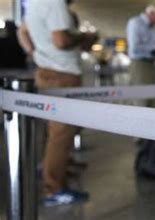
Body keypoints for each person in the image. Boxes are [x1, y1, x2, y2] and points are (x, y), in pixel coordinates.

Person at [21, 0, 98, 206]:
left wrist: (36, 54)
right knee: (61, 133)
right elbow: (61, 41)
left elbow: (22, 31)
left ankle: (53, 168)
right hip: (62, 73)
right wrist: (84, 36)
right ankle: (52, 188)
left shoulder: (35, 4)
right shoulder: (55, 3)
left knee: (55, 131)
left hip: (46, 70)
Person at [126, 2, 155, 107]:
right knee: (141, 99)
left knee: (153, 99)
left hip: (151, 64)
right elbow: (134, 49)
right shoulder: (135, 23)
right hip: (139, 64)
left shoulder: (153, 28)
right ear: (151, 13)